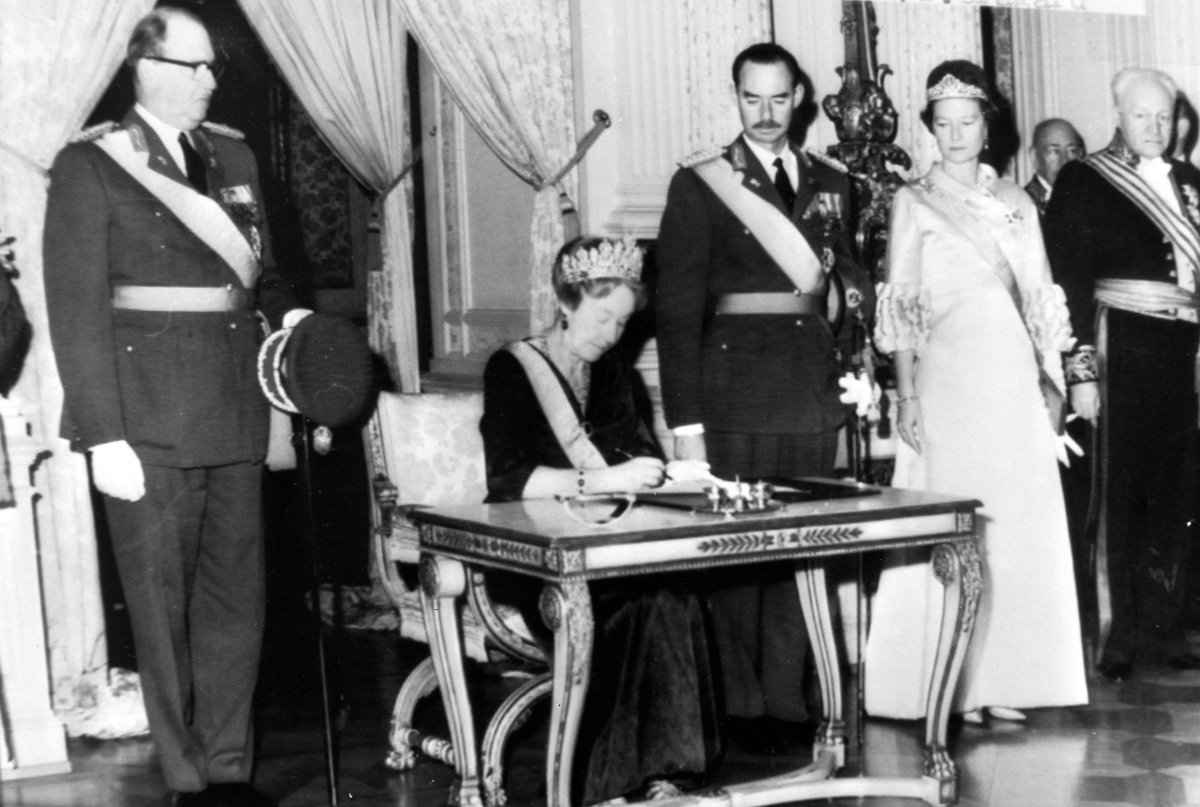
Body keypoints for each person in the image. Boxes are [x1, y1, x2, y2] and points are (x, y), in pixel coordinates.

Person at [43, 8, 308, 806]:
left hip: (234, 405)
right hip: (148, 419)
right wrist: (103, 433)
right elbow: (75, 308)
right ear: (146, 68)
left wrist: (291, 318)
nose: (210, 81)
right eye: (194, 67)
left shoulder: (231, 152)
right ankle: (187, 777)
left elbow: (260, 271)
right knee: (160, 611)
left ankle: (228, 770)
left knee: (237, 602)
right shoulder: (93, 166)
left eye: (211, 68)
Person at [656, 42, 865, 755]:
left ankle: (790, 697)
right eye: (752, 99)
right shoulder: (702, 184)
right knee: (738, 552)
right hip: (733, 389)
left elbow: (853, 280)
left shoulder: (835, 180)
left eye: (779, 98)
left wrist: (852, 329)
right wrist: (684, 423)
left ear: (801, 95)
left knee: (801, 545)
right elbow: (676, 311)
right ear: (735, 96)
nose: (767, 113)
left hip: (808, 390)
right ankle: (740, 703)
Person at [864, 60, 1088, 725]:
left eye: (968, 123)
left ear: (986, 127)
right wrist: (906, 394)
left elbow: (1042, 294)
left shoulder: (1019, 200)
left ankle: (1005, 677)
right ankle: (950, 685)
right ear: (930, 129)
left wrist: (1054, 379)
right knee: (954, 530)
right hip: (950, 382)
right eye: (944, 124)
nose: (956, 136)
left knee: (1013, 528)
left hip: (1015, 382)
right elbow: (902, 304)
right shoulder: (914, 200)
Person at [479, 236, 720, 805]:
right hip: (532, 551)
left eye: (622, 323)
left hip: (606, 544)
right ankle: (601, 786)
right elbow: (510, 479)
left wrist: (664, 476)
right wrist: (606, 481)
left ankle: (670, 777)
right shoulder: (512, 367)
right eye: (602, 316)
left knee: (673, 593)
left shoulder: (614, 374)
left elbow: (637, 456)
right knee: (637, 607)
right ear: (567, 301)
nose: (612, 334)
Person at [1044, 68, 1200, 682]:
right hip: (1119, 345)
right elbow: (1069, 281)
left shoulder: (1191, 181)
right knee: (1116, 498)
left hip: (1182, 347)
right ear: (1118, 113)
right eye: (1142, 116)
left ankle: (1164, 631)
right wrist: (1080, 370)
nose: (1154, 128)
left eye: (1163, 116)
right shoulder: (1084, 180)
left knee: (1176, 491)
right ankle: (1116, 636)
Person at [1025, 118, 1085, 216]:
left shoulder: (1091, 199)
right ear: (1034, 156)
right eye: (1054, 151)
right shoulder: (1020, 203)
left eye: (1072, 151)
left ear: (1081, 155)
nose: (1065, 161)